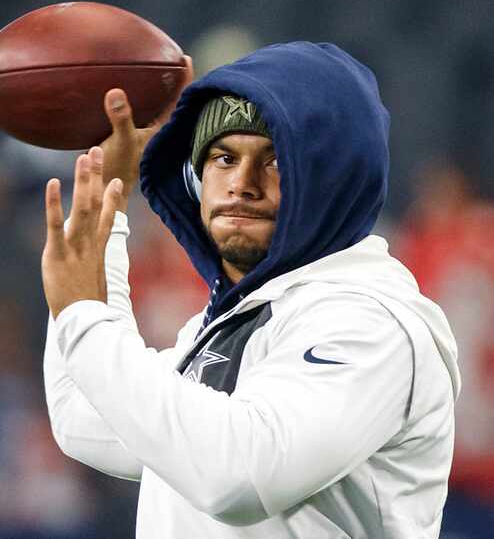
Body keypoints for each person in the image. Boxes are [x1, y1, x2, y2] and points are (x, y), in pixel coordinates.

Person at [41, 42, 460, 538]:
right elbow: (86, 416)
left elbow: (236, 476)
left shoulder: (371, 321)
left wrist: (86, 317)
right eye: (222, 157)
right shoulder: (235, 319)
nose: (241, 183)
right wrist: (101, 230)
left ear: (333, 180)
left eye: (276, 161)